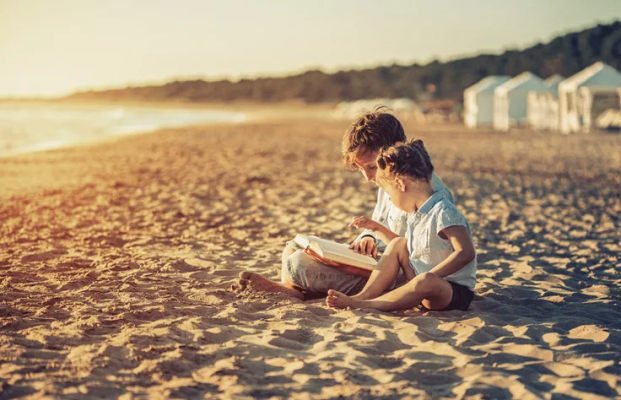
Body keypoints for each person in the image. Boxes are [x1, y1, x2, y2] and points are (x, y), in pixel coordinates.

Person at [236, 107, 453, 300]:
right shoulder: (388, 182)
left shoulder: (424, 191)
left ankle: (294, 288)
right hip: (375, 258)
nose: (368, 177)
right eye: (362, 170)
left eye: (371, 167)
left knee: (299, 264)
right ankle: (290, 287)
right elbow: (379, 223)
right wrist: (367, 236)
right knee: (294, 246)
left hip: (393, 273)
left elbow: (418, 253)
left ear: (396, 148)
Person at [326, 139, 476, 312]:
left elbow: (466, 252)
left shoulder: (443, 212)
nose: (389, 198)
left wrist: (432, 275)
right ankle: (363, 296)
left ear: (400, 184)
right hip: (419, 281)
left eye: (389, 193)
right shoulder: (416, 214)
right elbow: (406, 248)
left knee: (426, 280)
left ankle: (365, 305)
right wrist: (375, 228)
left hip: (450, 291)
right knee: (399, 244)